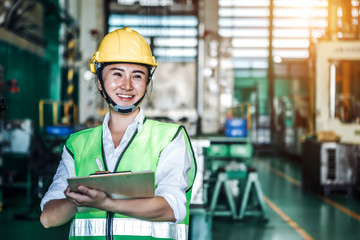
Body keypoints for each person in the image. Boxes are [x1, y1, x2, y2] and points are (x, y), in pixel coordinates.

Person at [40, 27, 196, 240]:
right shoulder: (77, 144)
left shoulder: (168, 138)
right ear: (100, 82)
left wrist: (105, 202)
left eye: (137, 75)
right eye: (117, 74)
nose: (127, 85)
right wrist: (80, 198)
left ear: (147, 83)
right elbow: (48, 218)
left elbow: (171, 208)